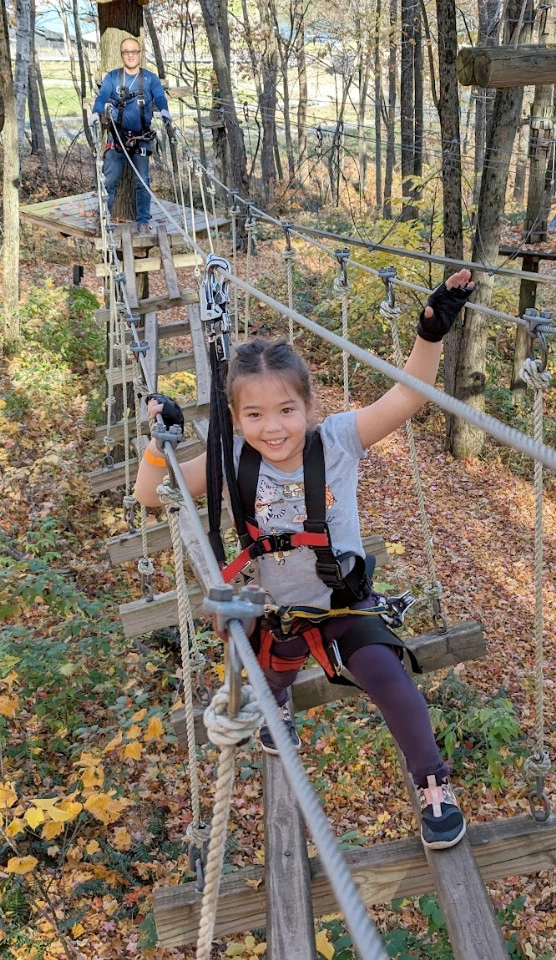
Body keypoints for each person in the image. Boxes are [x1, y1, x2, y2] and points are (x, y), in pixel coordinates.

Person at [134, 270, 474, 849]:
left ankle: (433, 783)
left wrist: (431, 333)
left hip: (342, 603)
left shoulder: (338, 440)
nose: (274, 428)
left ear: (310, 407)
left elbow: (409, 396)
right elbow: (150, 493)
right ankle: (279, 705)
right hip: (274, 611)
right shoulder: (230, 457)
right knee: (271, 674)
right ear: (237, 420)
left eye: (287, 410)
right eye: (256, 415)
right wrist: (159, 442)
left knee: (394, 681)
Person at [90, 38, 172, 235]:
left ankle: (143, 220)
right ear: (122, 55)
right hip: (116, 138)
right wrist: (95, 112)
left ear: (140, 53)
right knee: (109, 181)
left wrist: (165, 111)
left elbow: (160, 96)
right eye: (126, 52)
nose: (131, 55)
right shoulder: (112, 78)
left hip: (141, 138)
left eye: (134, 51)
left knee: (142, 181)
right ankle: (103, 219)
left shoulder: (150, 79)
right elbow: (102, 97)